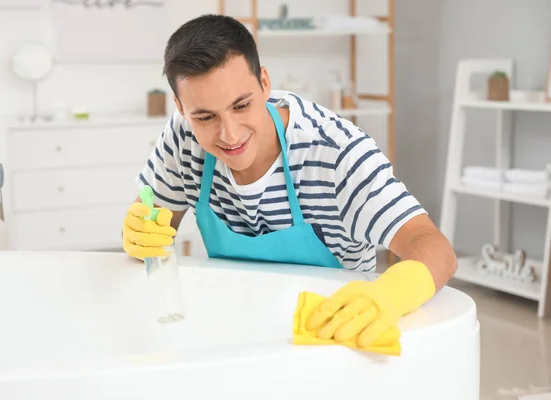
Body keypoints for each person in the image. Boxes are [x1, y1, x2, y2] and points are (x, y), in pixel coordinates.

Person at [122, 14, 457, 349]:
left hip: (329, 337)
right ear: (180, 107)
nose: (230, 134)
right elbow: (153, 228)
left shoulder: (335, 153)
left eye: (241, 105)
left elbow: (434, 247)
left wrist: (390, 295)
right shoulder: (183, 138)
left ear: (265, 83)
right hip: (232, 332)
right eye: (205, 116)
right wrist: (140, 235)